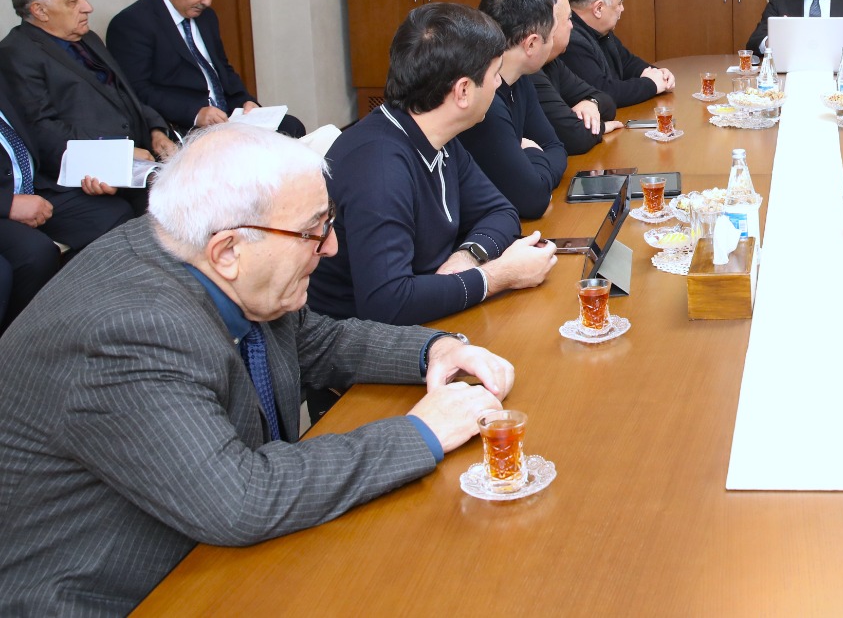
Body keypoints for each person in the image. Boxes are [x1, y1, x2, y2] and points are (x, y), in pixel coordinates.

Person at [0, 123, 516, 614]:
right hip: (120, 592)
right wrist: (421, 432)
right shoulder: (129, 331)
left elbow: (313, 339)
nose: (332, 246)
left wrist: (433, 351)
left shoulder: (196, 249)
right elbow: (240, 498)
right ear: (228, 250)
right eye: (315, 230)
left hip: (211, 552)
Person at [309, 2, 556, 326]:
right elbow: (388, 304)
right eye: (494, 74)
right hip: (364, 357)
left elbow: (501, 212)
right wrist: (497, 276)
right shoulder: (379, 168)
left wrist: (468, 258)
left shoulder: (438, 136)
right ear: (463, 91)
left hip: (432, 317)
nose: (498, 85)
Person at [0, 0, 175, 213]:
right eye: (73, 1)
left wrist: (156, 129)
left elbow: (124, 94)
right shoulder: (17, 53)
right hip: (86, 176)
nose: (87, 6)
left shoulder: (88, 38)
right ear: (39, 11)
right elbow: (44, 133)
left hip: (139, 158)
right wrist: (116, 158)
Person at [107, 0, 305, 137]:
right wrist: (195, 113)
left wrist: (247, 101)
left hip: (227, 115)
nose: (208, 2)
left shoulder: (206, 17)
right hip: (184, 124)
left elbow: (222, 69)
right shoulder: (133, 23)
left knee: (291, 127)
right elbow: (137, 91)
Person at [0, 76, 133, 329]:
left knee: (112, 216)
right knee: (35, 252)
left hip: (34, 185)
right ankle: (20, 339)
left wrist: (94, 166)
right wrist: (8, 204)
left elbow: (36, 134)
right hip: (5, 203)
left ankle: (81, 319)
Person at [460, 0, 570, 219]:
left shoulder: (520, 79)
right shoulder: (484, 102)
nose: (552, 43)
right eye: (550, 36)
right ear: (531, 44)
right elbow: (532, 199)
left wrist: (532, 162)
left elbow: (556, 147)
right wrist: (534, 155)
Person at [559, 0, 674, 109]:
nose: (622, 9)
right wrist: (651, 84)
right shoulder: (572, 41)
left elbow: (627, 62)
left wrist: (657, 74)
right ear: (598, 8)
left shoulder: (600, 31)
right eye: (619, 3)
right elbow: (604, 92)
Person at [531, 0, 621, 154]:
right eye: (568, 19)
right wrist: (599, 127)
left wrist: (591, 103)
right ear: (548, 26)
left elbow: (607, 101)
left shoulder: (553, 62)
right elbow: (575, 137)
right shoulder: (530, 72)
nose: (572, 26)